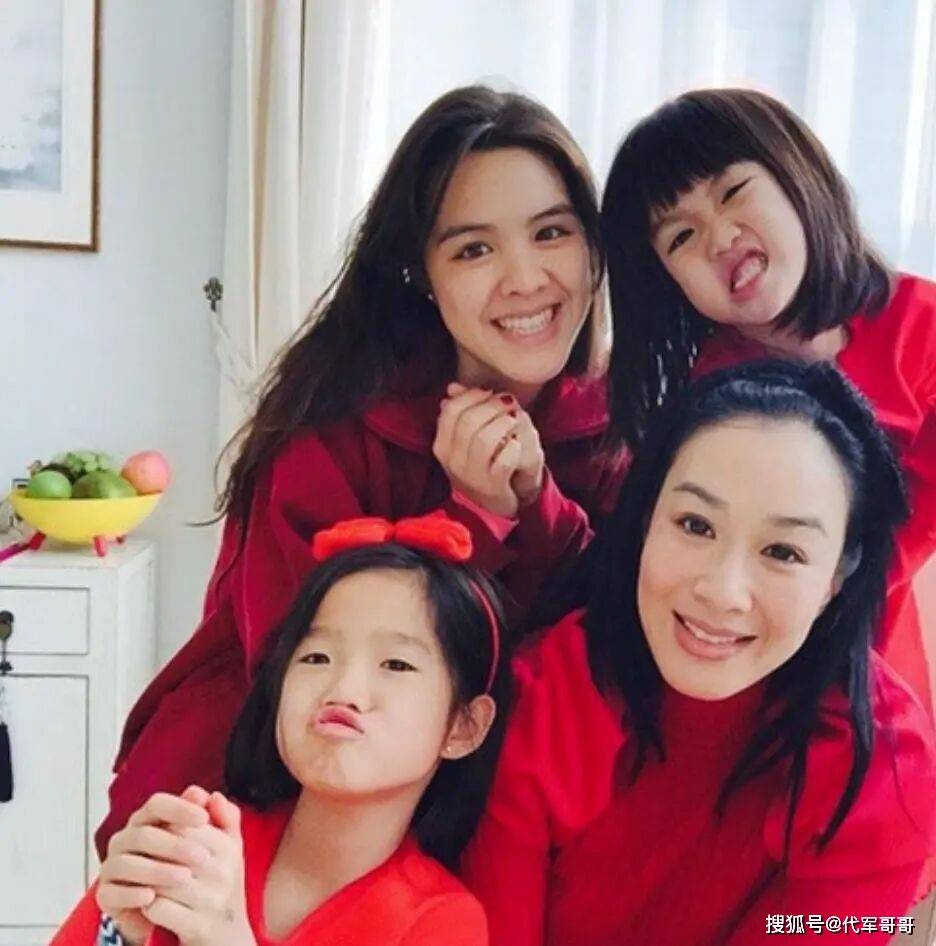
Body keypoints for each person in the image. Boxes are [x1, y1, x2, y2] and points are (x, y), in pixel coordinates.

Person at [97, 85, 627, 853]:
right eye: (473, 248)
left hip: (496, 818)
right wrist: (475, 521)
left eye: (552, 232)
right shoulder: (336, 420)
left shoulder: (618, 427)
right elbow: (306, 672)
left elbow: (606, 646)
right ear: (421, 271)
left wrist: (535, 505)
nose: (525, 278)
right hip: (259, 803)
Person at [461, 361, 936, 945]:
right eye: (695, 525)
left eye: (783, 552)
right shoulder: (549, 691)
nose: (722, 592)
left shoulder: (885, 770)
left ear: (835, 581)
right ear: (647, 522)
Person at [601, 87, 935, 715]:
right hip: (740, 685)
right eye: (680, 236)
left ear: (795, 174)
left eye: (733, 192)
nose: (719, 237)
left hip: (869, 690)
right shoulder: (708, 407)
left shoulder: (921, 325)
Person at [54, 514, 508, 946]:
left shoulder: (441, 920)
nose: (343, 690)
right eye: (316, 657)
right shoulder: (194, 844)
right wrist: (123, 935)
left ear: (464, 726)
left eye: (396, 664)